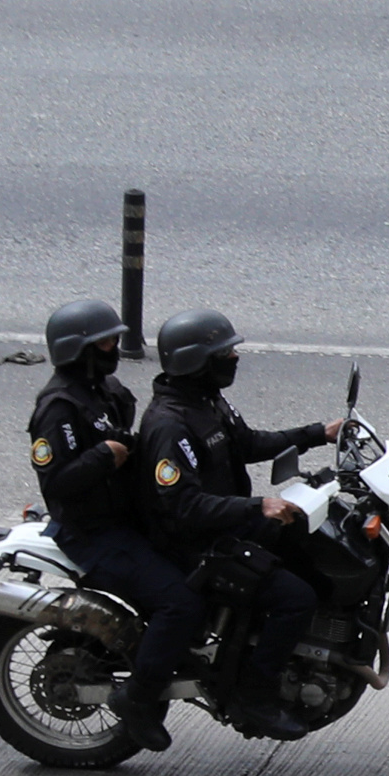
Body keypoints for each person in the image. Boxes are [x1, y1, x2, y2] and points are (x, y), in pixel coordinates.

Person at [132, 307, 341, 743]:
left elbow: (246, 443)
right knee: (294, 599)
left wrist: (317, 432)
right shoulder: (170, 424)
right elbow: (183, 507)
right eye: (222, 352)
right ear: (195, 360)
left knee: (314, 549)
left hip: (226, 528)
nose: (233, 358)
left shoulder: (205, 401)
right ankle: (255, 696)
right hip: (197, 546)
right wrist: (257, 507)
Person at [26, 298, 196, 754]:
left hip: (128, 521)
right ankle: (138, 702)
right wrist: (105, 456)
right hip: (94, 535)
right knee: (177, 603)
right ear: (76, 349)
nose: (114, 347)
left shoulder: (105, 390)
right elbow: (57, 481)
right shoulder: (58, 408)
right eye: (104, 341)